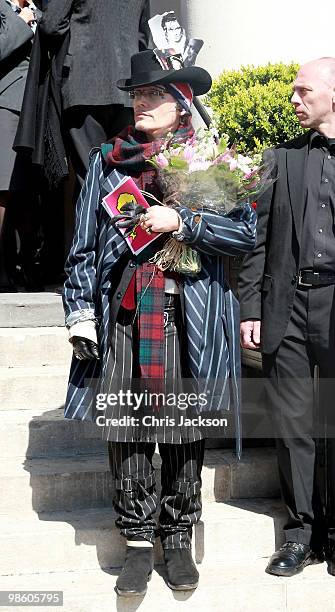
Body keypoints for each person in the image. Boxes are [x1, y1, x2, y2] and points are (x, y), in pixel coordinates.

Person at [63, 49, 257, 596]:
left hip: (186, 315)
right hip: (125, 313)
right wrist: (80, 311)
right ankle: (138, 541)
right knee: (127, 428)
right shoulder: (108, 161)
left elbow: (242, 236)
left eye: (151, 96)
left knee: (181, 428)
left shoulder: (214, 158)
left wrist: (184, 219)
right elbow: (81, 247)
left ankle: (177, 536)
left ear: (181, 103)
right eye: (137, 96)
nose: (139, 104)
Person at [239, 57, 335, 577]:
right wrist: (250, 307)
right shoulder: (281, 158)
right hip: (288, 304)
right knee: (295, 422)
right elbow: (257, 242)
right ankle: (300, 536)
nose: (293, 100)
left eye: (303, 91)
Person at [39, 0, 150, 188]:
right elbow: (142, 37)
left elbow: (51, 25)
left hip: (85, 83)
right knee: (122, 175)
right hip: (125, 86)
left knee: (90, 176)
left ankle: (93, 217)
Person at [0, 0, 42, 291]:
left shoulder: (41, 9)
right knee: (3, 190)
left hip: (37, 111)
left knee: (28, 194)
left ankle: (25, 267)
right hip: (6, 106)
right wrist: (21, 21)